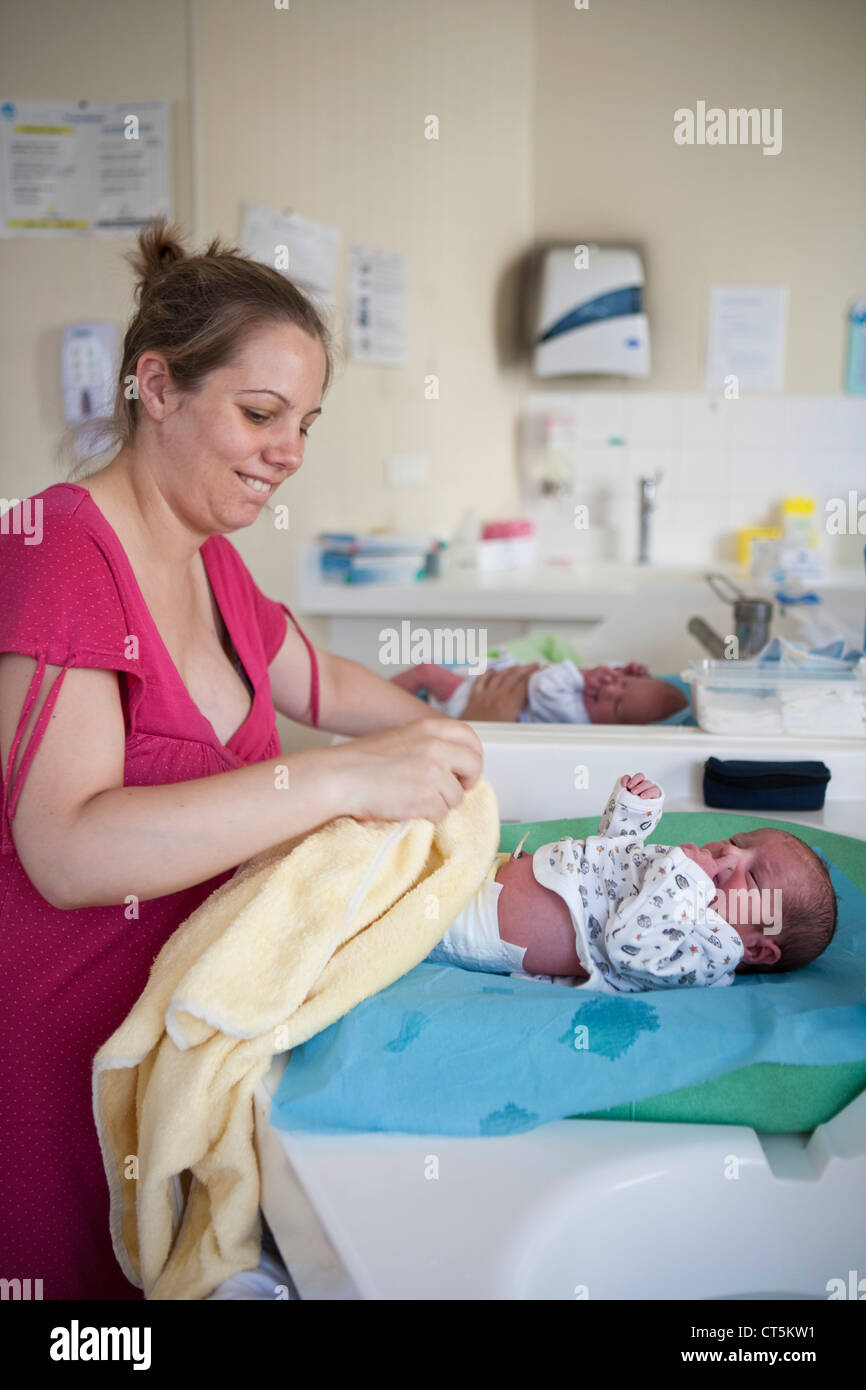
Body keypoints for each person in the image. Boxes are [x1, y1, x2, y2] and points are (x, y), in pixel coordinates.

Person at [0, 219, 538, 1300]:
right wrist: (343, 778)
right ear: (155, 385)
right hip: (67, 1064)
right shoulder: (58, 549)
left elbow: (318, 679)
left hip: (191, 1046)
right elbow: (64, 846)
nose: (288, 450)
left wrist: (456, 741)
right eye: (259, 413)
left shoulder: (210, 564)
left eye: (304, 423)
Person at [427, 772, 838, 990]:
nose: (731, 854)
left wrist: (684, 880)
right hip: (489, 871)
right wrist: (631, 817)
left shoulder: (711, 950)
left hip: (483, 923)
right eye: (737, 842)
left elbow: (628, 944)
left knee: (400, 911)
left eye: (754, 875)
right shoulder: (681, 880)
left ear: (758, 949)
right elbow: (611, 864)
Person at [392, 656, 688, 724]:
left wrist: (588, 674)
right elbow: (607, 678)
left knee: (427, 671)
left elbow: (542, 683)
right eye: (621, 684)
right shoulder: (590, 698)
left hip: (472, 704)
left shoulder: (576, 716)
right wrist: (625, 671)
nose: (609, 690)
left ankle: (372, 700)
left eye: (618, 706)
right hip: (487, 688)